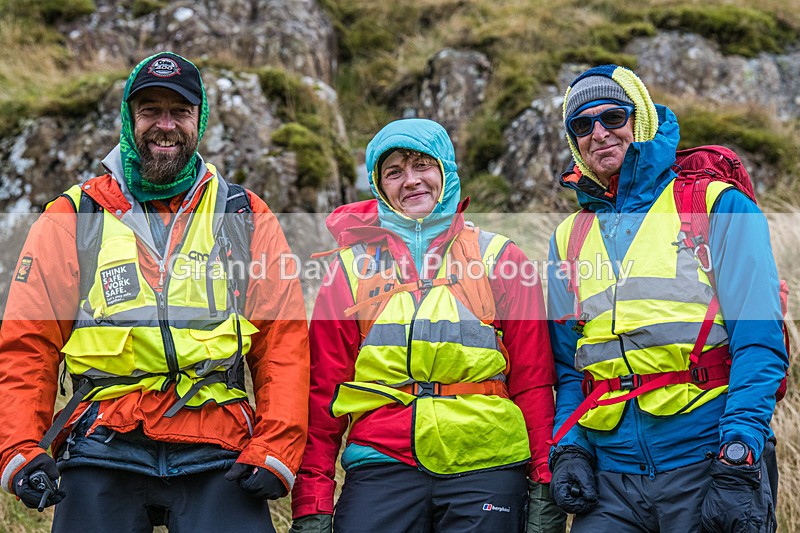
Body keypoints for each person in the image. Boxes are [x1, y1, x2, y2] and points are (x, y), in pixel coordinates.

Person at [0, 51, 310, 532]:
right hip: (101, 443)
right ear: (129, 117)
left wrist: (276, 448)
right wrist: (21, 448)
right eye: (150, 110)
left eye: (179, 111)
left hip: (218, 448)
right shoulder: (71, 217)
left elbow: (283, 342)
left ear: (199, 120)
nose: (165, 125)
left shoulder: (244, 216)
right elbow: (27, 343)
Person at [289, 118, 564, 533]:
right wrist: (312, 504)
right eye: (394, 172)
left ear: (446, 170)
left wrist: (544, 485)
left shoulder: (500, 258)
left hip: (488, 463)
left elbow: (534, 384)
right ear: (379, 186)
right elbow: (322, 397)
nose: (411, 180)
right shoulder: (348, 271)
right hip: (382, 464)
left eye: (422, 165)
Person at [546, 64, 788, 532]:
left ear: (639, 120)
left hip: (706, 460)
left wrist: (738, 455)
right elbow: (569, 367)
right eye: (582, 124)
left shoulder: (717, 204)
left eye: (613, 117)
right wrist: (571, 448)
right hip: (611, 479)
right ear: (574, 141)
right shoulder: (567, 238)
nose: (599, 133)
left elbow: (759, 343)